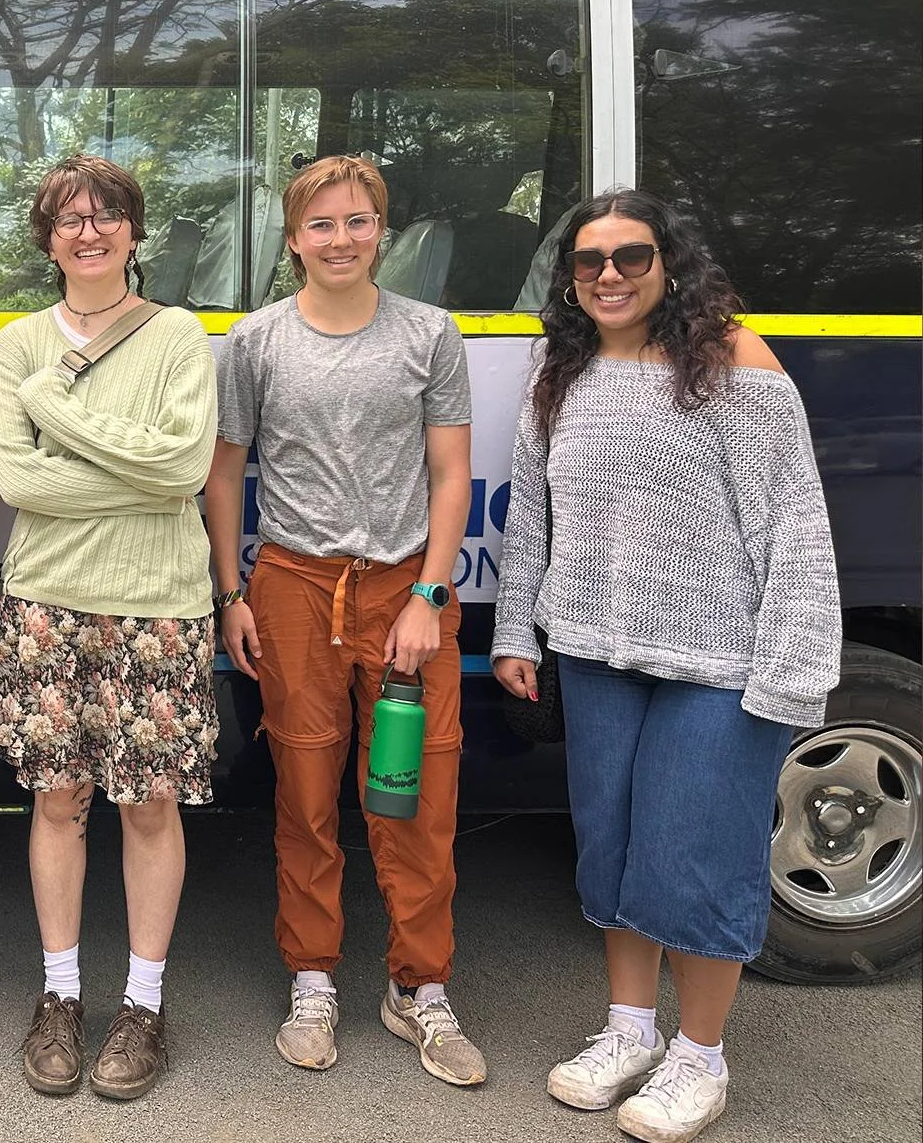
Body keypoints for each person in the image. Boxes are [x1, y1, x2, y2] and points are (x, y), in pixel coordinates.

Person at [491, 189, 840, 1143]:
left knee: (696, 854)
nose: (609, 275)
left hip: (719, 663)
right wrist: (517, 633)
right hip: (596, 652)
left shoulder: (735, 362)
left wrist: (790, 672)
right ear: (569, 278)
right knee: (611, 847)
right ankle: (630, 1032)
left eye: (631, 257)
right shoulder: (557, 372)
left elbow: (795, 527)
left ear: (669, 264)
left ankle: (701, 1056)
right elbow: (532, 518)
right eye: (589, 261)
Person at [202, 154, 485, 1087]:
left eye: (359, 222)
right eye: (321, 225)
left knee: (413, 794)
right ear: (293, 240)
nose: (341, 239)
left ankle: (418, 987)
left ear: (382, 232)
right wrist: (231, 594)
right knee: (306, 793)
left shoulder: (428, 335)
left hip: (404, 591)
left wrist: (429, 597)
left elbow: (451, 476)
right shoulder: (255, 342)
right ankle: (314, 976)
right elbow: (226, 472)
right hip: (291, 587)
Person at [0, 155, 217, 1102]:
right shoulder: (18, 347)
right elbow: (20, 485)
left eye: (108, 214)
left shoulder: (179, 336)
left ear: (133, 231)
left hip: (161, 602)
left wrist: (53, 410)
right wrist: (132, 470)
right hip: (48, 599)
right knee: (59, 799)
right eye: (70, 218)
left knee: (149, 807)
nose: (90, 230)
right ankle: (61, 995)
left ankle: (143, 1004)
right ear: (47, 237)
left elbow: (186, 469)